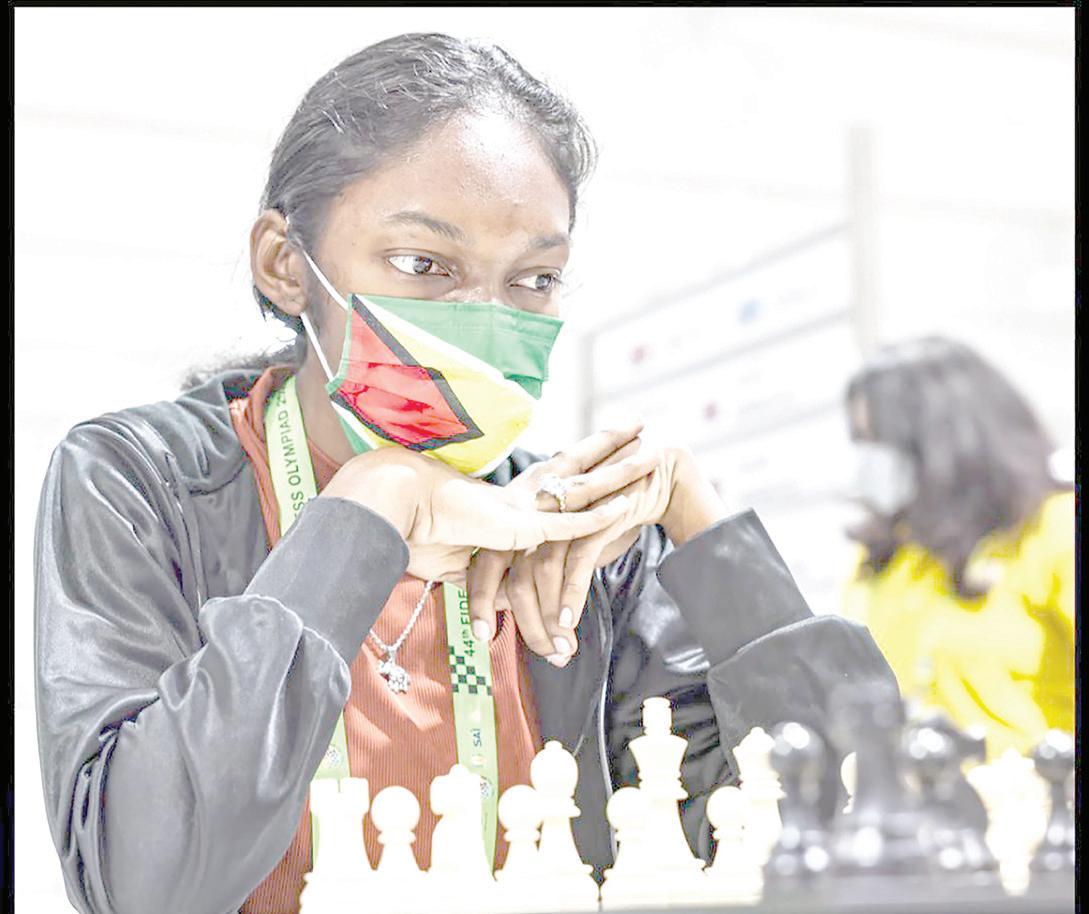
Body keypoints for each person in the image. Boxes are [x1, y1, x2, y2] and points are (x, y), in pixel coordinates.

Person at [34, 34, 897, 914]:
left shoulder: (582, 546)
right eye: (423, 265)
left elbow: (852, 834)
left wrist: (697, 521)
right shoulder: (141, 483)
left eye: (534, 278)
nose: (484, 318)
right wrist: (369, 505)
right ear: (285, 264)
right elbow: (143, 882)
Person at [842, 336, 1074, 759]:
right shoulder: (882, 556)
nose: (869, 460)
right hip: (907, 794)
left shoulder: (1054, 529)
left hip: (1035, 792)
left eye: (880, 440)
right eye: (860, 440)